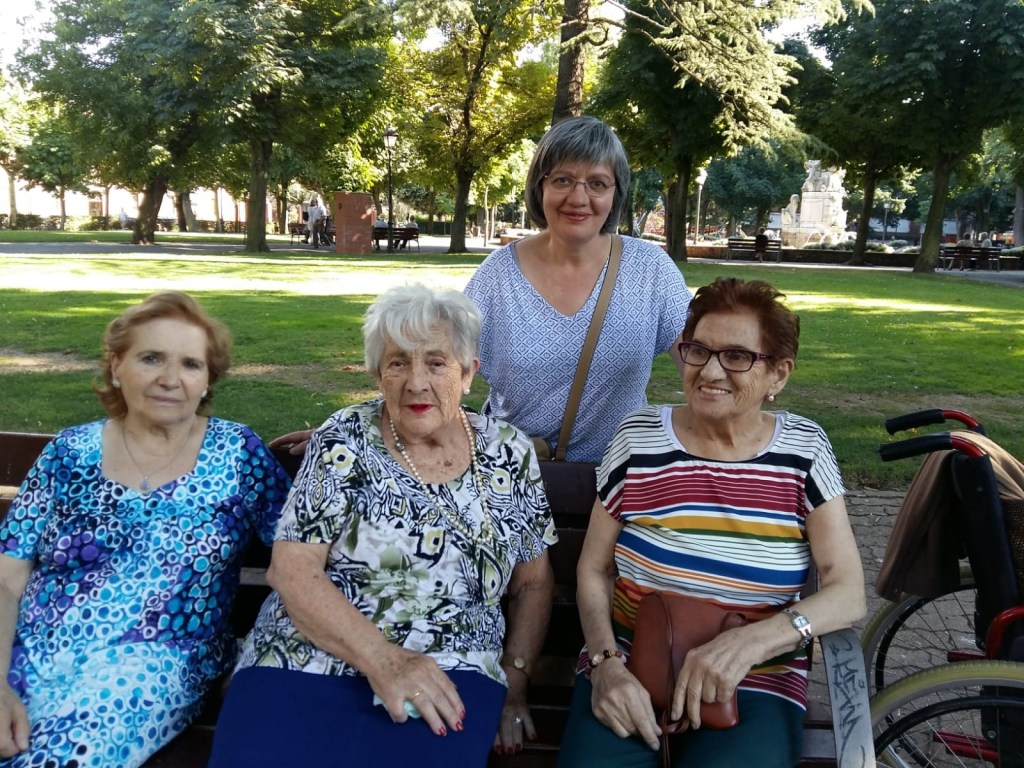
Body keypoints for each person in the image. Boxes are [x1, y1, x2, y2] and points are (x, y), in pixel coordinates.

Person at [208, 285, 557, 768]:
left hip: (451, 668)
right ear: (377, 375)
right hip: (302, 655)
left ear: (469, 373)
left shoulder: (508, 452)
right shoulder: (343, 439)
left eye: (436, 363)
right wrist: (385, 661)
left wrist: (515, 686)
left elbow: (533, 581)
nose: (416, 383)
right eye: (397, 364)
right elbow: (292, 571)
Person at [557, 277, 866, 768]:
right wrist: (604, 664)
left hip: (754, 678)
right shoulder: (639, 440)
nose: (710, 371)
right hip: (631, 666)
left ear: (778, 375)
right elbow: (595, 570)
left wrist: (751, 642)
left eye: (738, 356)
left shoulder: (802, 452)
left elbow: (848, 592)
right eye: (698, 351)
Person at [0, 291, 291, 768]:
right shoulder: (69, 453)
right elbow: (6, 577)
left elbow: (303, 551)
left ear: (206, 381)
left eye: (191, 365)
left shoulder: (238, 455)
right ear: (116, 366)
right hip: (30, 652)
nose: (170, 379)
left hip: (152, 666)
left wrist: (331, 443)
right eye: (151, 358)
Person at [464, 116, 692, 462]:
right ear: (540, 186)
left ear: (615, 194)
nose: (578, 197)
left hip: (619, 485)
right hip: (517, 481)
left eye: (597, 183)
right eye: (563, 179)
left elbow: (702, 365)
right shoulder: (497, 276)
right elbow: (445, 368)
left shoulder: (651, 270)